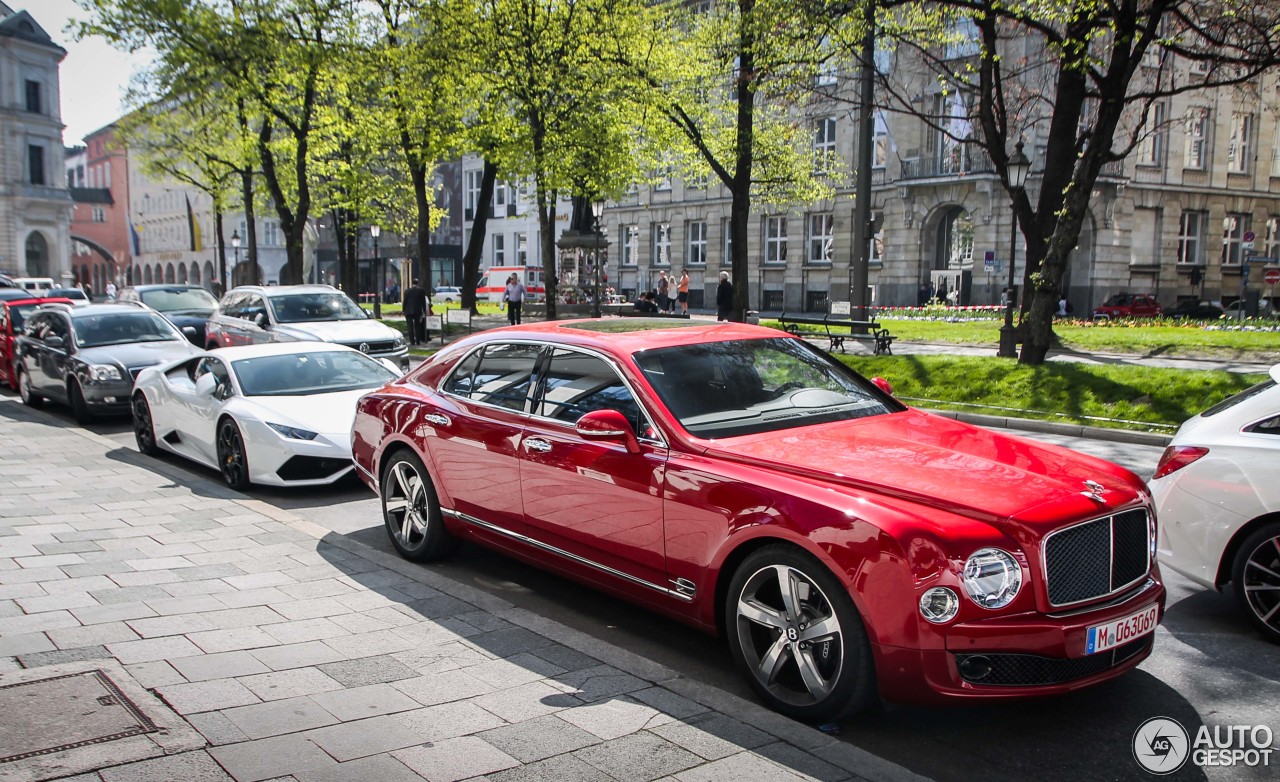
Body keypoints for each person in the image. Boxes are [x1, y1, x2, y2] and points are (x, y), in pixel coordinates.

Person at [402, 279, 429, 345]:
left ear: (412, 283)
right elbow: (423, 302)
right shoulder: (421, 291)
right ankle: (418, 341)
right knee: (417, 326)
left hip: (408, 311)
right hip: (417, 311)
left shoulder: (407, 291)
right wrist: (424, 311)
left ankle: (412, 341)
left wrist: (403, 310)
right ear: (418, 283)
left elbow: (405, 302)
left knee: (410, 326)